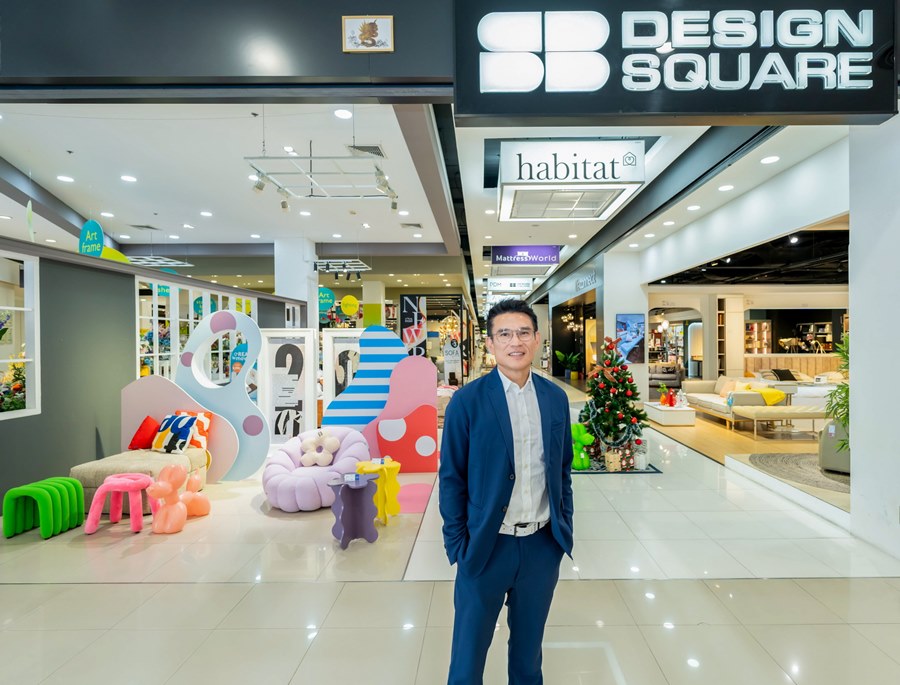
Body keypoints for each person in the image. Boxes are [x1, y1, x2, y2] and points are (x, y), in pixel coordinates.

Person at [439, 298, 574, 685]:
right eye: (505, 334)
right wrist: (459, 545)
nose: (516, 342)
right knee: (467, 661)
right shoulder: (467, 401)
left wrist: (562, 528)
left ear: (537, 339)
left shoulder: (555, 398)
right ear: (490, 343)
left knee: (528, 658)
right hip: (485, 546)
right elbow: (451, 477)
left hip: (541, 546)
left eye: (523, 332)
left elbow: (562, 469)